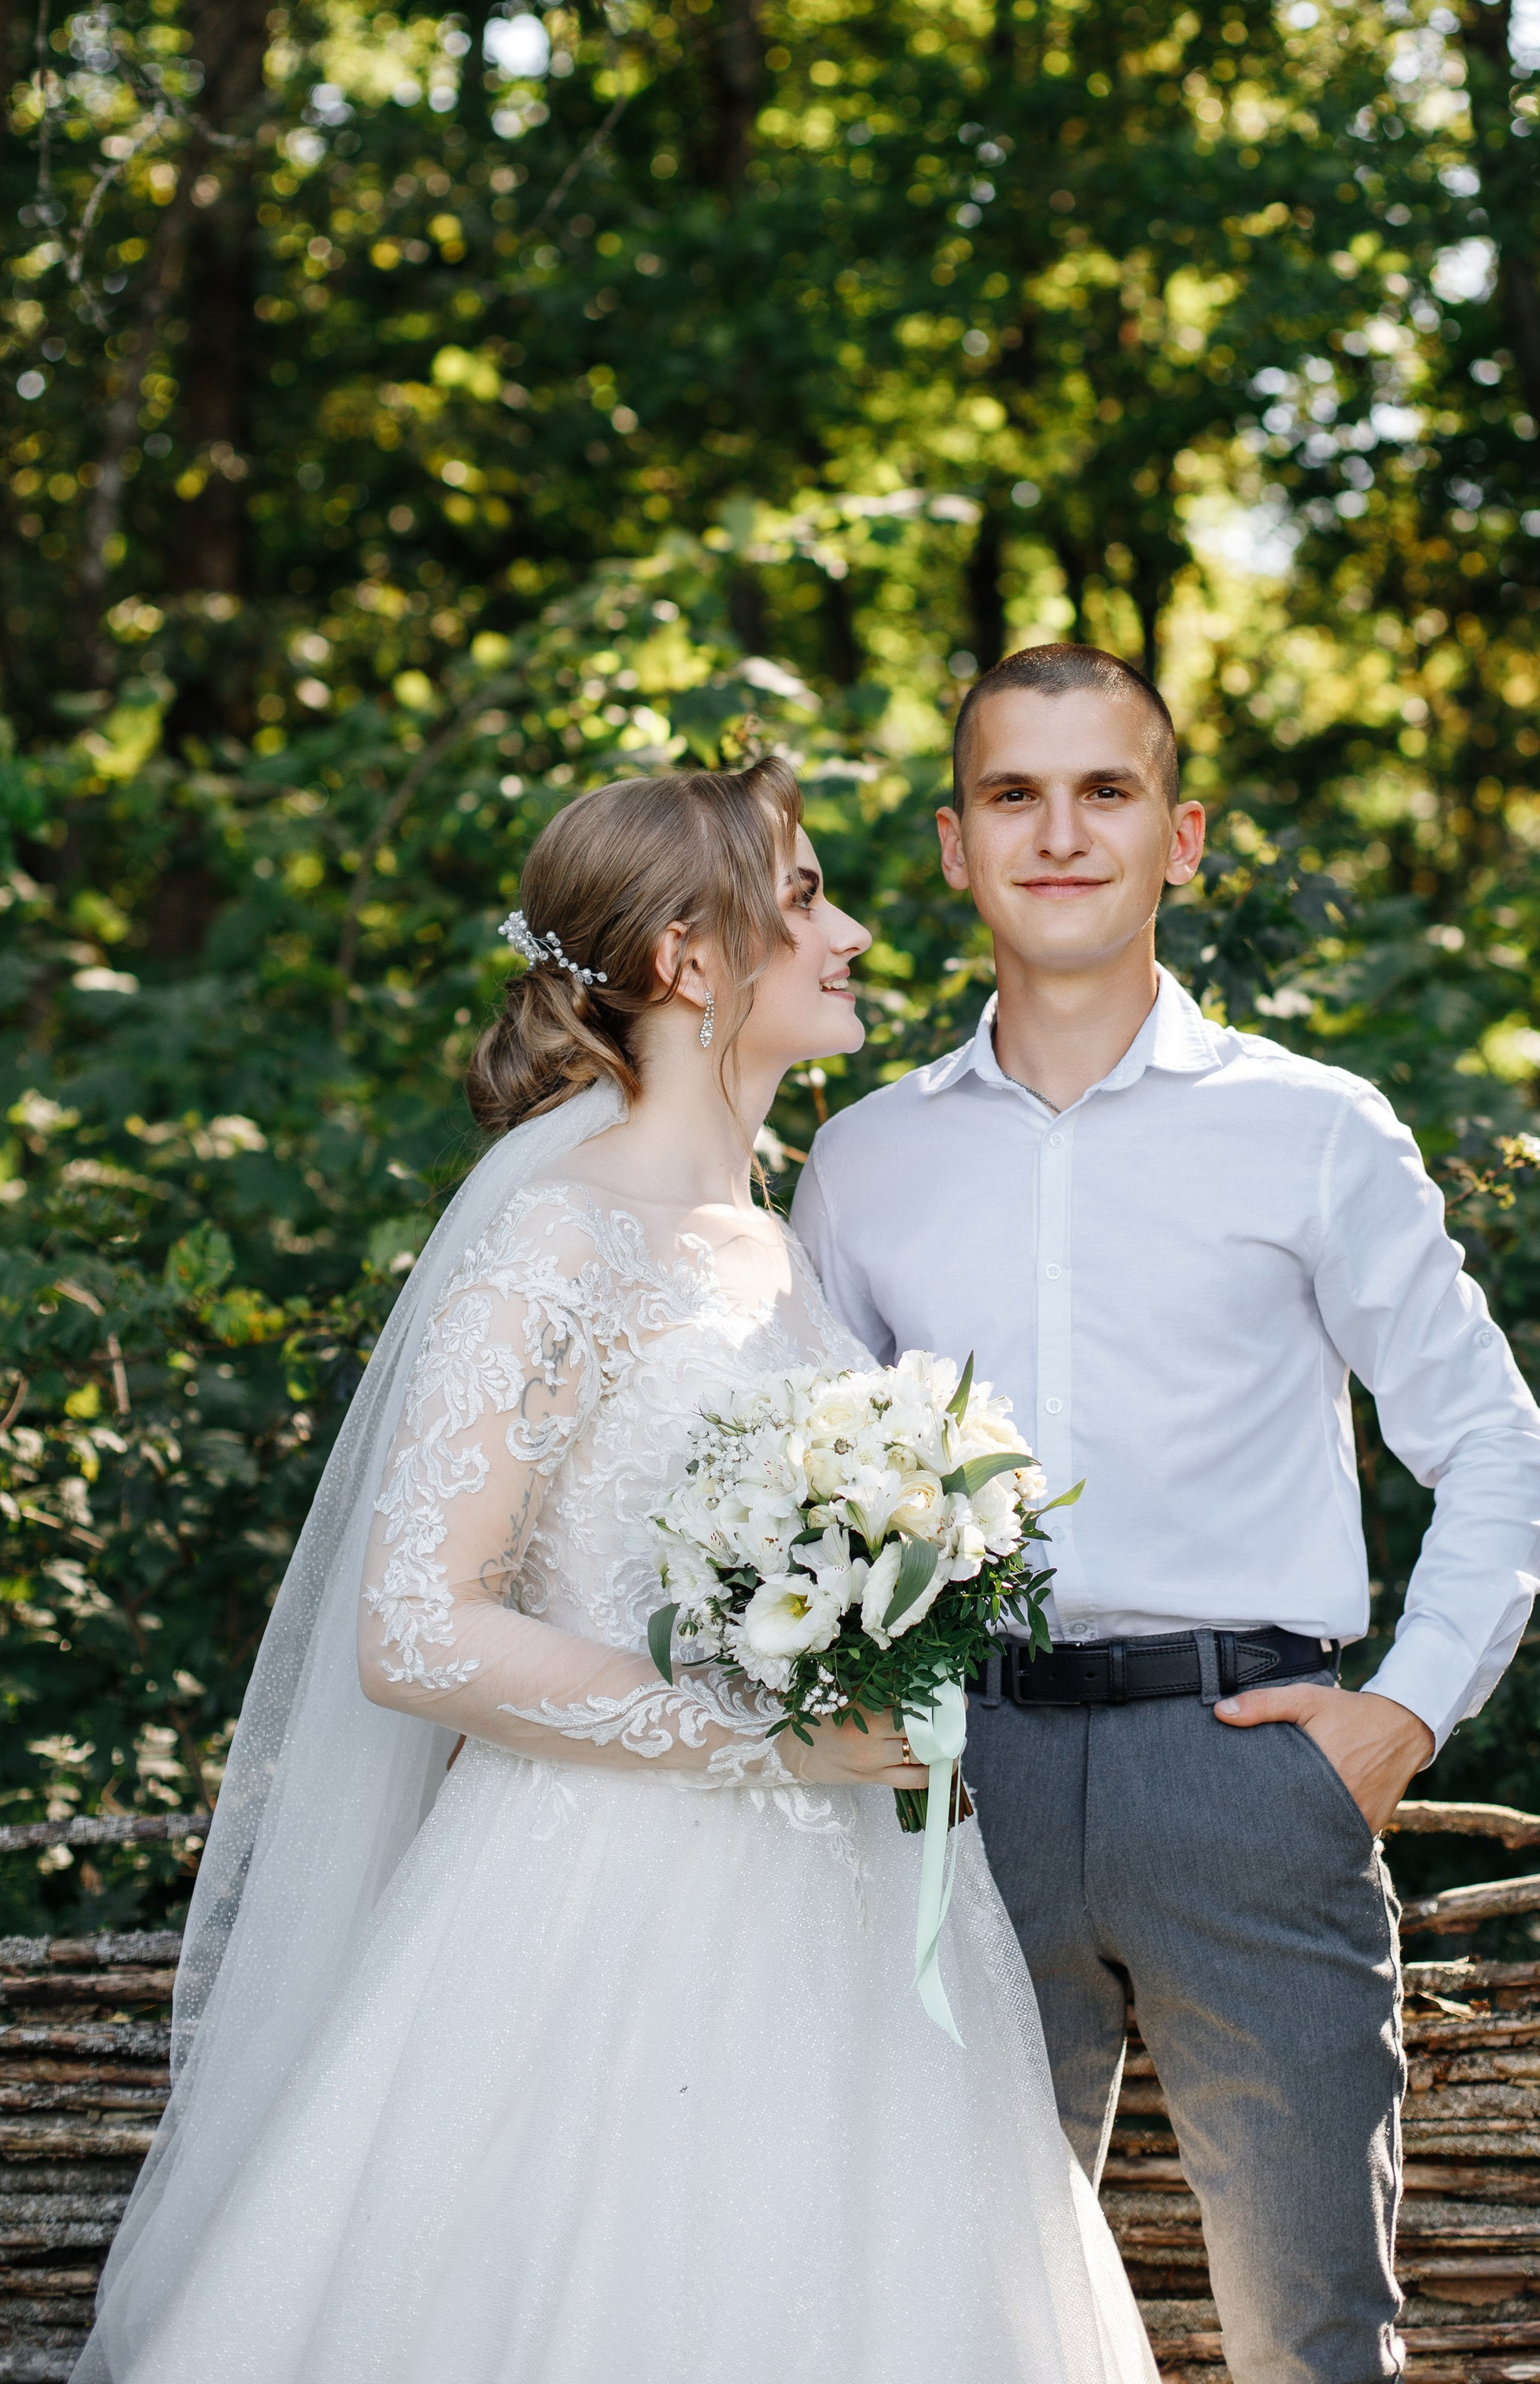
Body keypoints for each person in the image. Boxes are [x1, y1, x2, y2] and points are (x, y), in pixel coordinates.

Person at [81, 759, 1156, 2384]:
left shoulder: (763, 1234)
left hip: (839, 1901)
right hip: (596, 1916)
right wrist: (762, 1730)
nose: (851, 932)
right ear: (682, 958)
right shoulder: (556, 1236)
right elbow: (419, 1634)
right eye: (803, 899)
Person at [793, 645, 1540, 2384]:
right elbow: (812, 1503)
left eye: (1104, 791)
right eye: (1013, 795)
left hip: (1243, 1766)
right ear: (950, 843)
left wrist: (1400, 1713)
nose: (1057, 833)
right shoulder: (863, 1161)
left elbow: (1497, 1447)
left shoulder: (1312, 1131)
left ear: (1181, 836)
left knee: (1308, 2327)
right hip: (956, 1788)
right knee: (948, 2318)